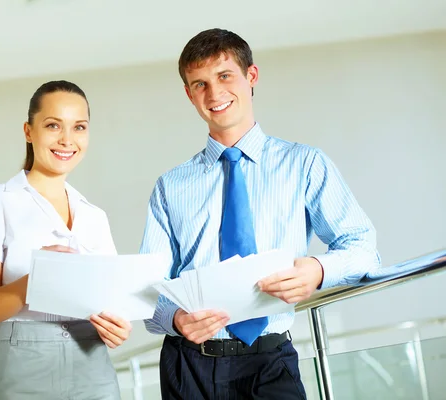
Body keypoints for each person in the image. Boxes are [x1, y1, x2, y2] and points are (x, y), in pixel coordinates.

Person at [140, 28, 381, 399]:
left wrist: (318, 270)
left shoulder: (305, 164)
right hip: (188, 366)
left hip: (271, 362)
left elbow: (364, 248)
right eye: (199, 84)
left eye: (224, 76)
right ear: (189, 95)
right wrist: (175, 318)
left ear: (251, 77)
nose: (214, 93)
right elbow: (148, 286)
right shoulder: (169, 186)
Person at [0, 80, 131, 400]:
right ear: (28, 131)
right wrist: (37, 279)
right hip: (21, 360)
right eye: (53, 125)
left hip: (91, 360)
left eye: (79, 127)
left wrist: (116, 328)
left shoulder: (94, 217)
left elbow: (110, 303)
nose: (67, 139)